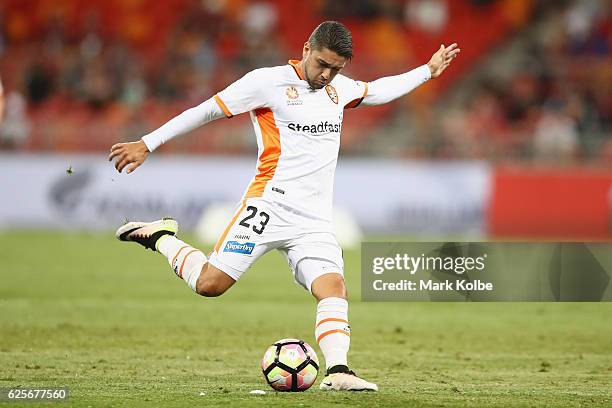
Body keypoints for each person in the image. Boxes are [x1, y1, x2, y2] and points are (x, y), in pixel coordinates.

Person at [109, 21, 459, 391]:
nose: (326, 75)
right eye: (322, 64)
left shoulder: (339, 89)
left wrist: (427, 71)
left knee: (333, 287)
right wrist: (148, 142)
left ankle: (338, 370)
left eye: (336, 69)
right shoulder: (266, 81)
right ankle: (162, 237)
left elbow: (377, 91)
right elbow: (206, 110)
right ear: (306, 48)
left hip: (313, 221)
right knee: (210, 285)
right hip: (267, 208)